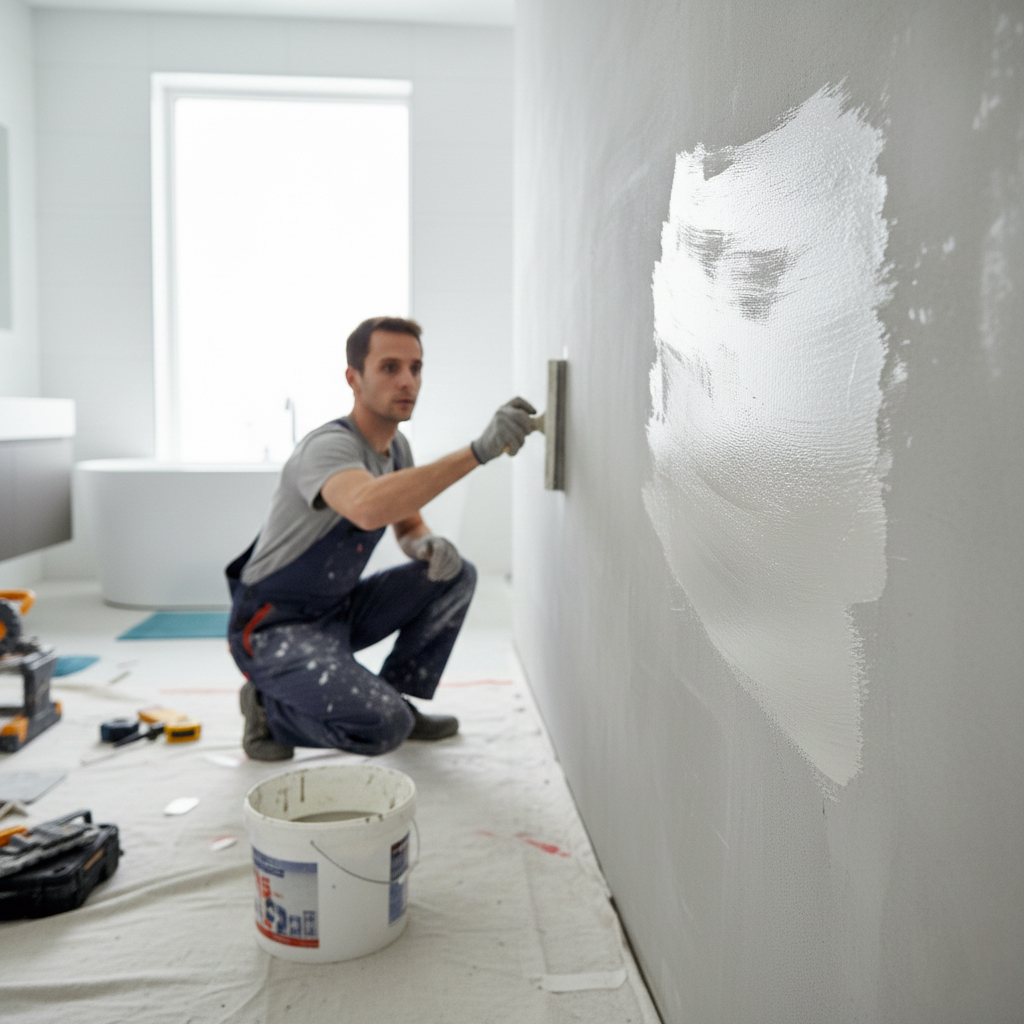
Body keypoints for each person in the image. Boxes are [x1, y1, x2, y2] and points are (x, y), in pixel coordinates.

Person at [226, 316, 537, 761]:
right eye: (390, 367)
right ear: (354, 378)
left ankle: (396, 697)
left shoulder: (397, 449)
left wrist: (424, 544)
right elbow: (368, 506)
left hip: (337, 610)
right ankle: (266, 709)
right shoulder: (328, 448)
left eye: (416, 367)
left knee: (455, 575)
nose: (408, 380)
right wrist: (477, 453)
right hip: (274, 624)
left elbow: (407, 524)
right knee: (382, 728)